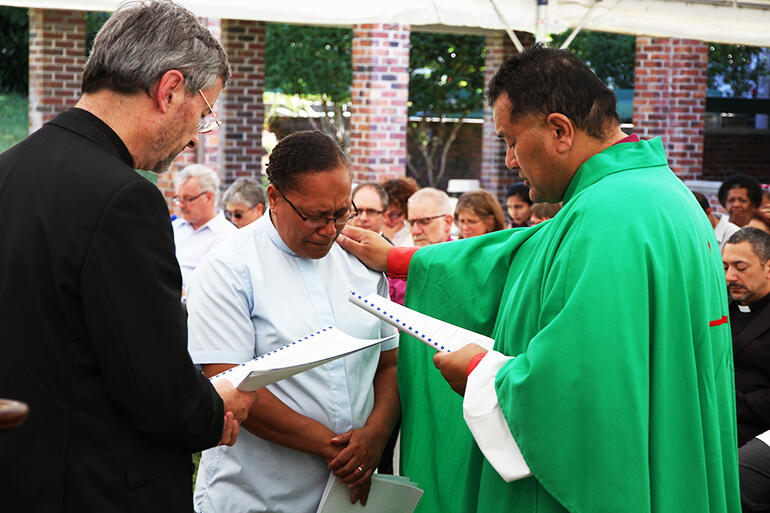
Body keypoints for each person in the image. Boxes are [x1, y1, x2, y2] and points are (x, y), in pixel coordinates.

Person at [338, 45, 739, 513]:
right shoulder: (659, 194)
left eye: (510, 140)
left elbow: (581, 387)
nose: (509, 160)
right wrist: (408, 262)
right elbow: (527, 251)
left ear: (560, 130)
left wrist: (479, 375)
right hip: (673, 458)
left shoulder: (606, 217)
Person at [0, 2, 257, 512]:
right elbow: (160, 393)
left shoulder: (8, 169)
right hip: (95, 486)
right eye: (204, 114)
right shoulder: (125, 198)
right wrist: (216, 407)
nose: (194, 139)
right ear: (169, 89)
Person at [188, 130, 400, 513]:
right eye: (315, 216)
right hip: (258, 493)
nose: (330, 229)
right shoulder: (229, 267)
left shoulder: (360, 260)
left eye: (341, 212)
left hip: (350, 493)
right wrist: (334, 447)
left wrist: (376, 433)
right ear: (274, 198)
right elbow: (229, 382)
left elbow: (390, 361)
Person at [722, 227, 770, 446]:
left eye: (740, 267)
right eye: (725, 267)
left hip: (755, 435)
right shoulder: (721, 307)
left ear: (768, 268)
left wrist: (724, 401)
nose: (730, 276)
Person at [173, 164, 236, 291]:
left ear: (209, 197)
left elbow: (217, 288)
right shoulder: (174, 227)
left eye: (187, 199)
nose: (181, 205)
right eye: (178, 199)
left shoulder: (227, 236)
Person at [382, 177, 419, 246]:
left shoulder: (413, 237)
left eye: (393, 215)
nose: (387, 220)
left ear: (406, 213)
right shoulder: (374, 231)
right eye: (383, 213)